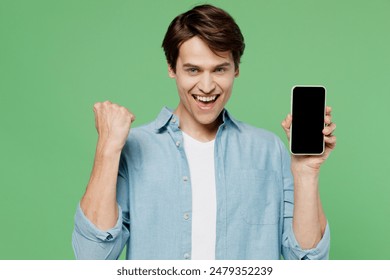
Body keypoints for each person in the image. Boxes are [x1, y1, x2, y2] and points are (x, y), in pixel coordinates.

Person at [72, 4, 336, 260]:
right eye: (193, 70)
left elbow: (306, 263)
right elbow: (92, 258)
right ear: (171, 67)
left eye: (219, 69)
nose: (207, 86)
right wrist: (107, 149)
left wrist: (306, 173)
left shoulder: (268, 149)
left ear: (236, 69)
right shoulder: (134, 147)